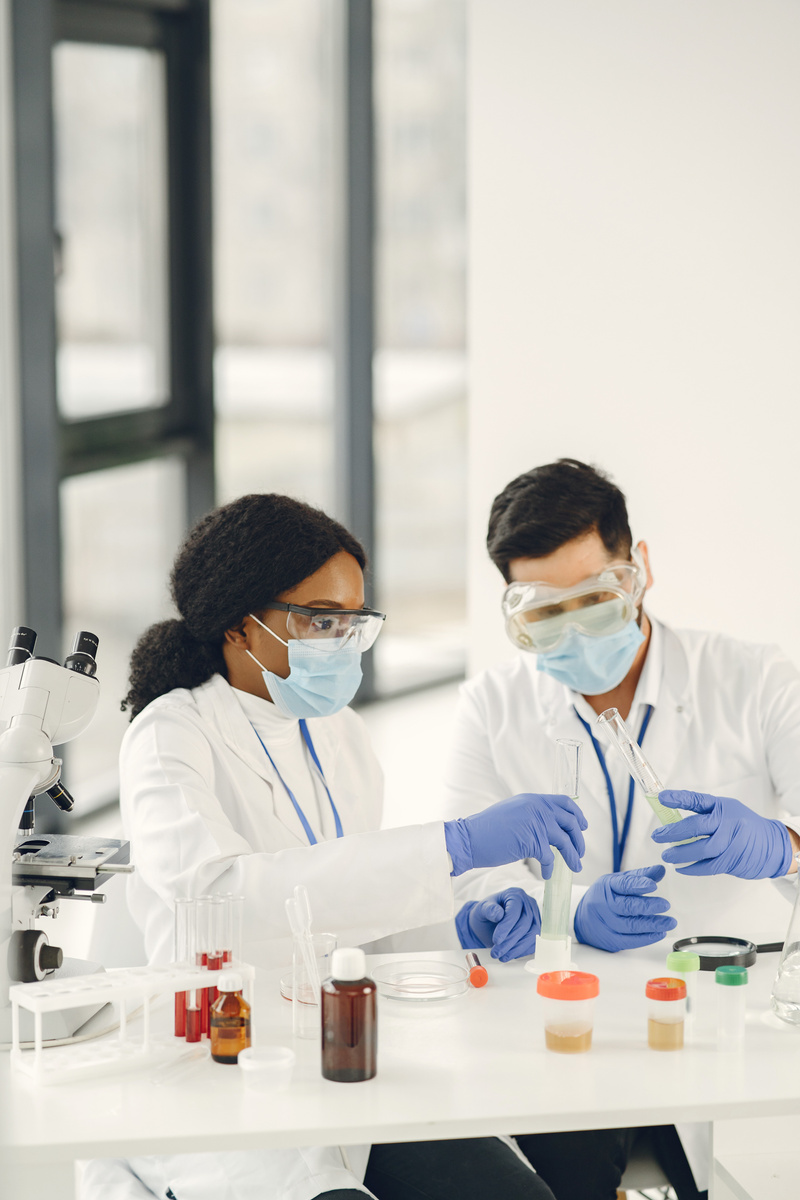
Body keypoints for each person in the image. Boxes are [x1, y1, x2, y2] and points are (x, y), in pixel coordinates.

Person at [80, 492, 585, 1200]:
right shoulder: (172, 736)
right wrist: (453, 845)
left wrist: (457, 925)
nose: (342, 640)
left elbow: (360, 912)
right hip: (226, 1068)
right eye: (321, 620)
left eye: (354, 620)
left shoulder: (339, 732)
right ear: (239, 625)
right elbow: (224, 898)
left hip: (348, 1064)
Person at [442, 458, 800, 1200]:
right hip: (563, 1015)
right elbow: (472, 873)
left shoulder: (758, 682)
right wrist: (555, 913)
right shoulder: (490, 709)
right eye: (545, 611)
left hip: (726, 1003)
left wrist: (779, 845)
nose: (573, 626)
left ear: (639, 570)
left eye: (594, 596)